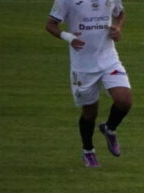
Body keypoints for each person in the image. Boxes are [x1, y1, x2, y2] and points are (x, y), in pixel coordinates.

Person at [45, 0, 132, 168]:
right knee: (89, 113)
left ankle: (110, 128)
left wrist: (118, 27)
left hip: (109, 60)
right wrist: (68, 37)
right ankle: (88, 151)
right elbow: (50, 24)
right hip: (82, 66)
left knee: (125, 100)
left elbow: (120, 13)